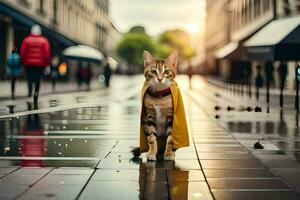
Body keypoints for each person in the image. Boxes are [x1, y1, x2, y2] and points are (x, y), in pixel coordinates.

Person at [20, 24, 51, 105]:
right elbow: (47, 54)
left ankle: (29, 95)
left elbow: (22, 52)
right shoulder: (44, 41)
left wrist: (23, 62)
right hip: (40, 65)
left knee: (29, 79)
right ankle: (36, 94)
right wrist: (47, 64)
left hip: (29, 64)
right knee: (38, 80)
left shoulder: (26, 40)